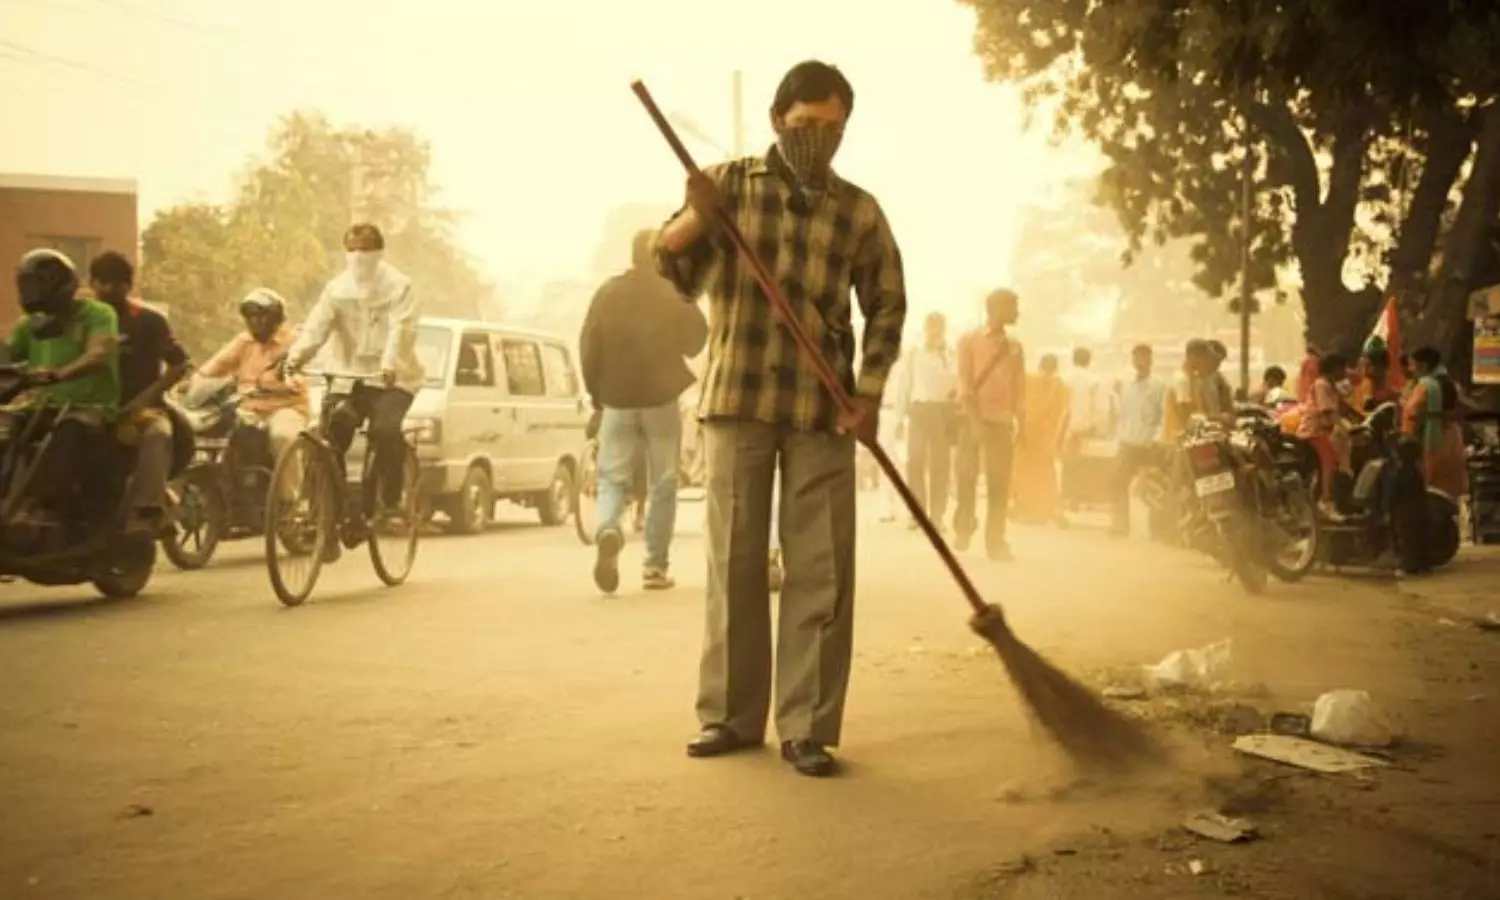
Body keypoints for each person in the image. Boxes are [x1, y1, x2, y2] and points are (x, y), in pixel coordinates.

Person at [655, 60, 906, 777]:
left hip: (823, 407)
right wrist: (697, 217)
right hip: (738, 399)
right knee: (734, 564)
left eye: (833, 129)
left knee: (820, 570)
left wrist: (871, 391)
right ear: (776, 120)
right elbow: (670, 266)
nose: (818, 141)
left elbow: (886, 301)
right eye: (805, 127)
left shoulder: (859, 210)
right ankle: (729, 717)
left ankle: (808, 727)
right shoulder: (726, 185)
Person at [282, 223, 423, 561]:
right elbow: (316, 328)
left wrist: (390, 363)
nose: (359, 256)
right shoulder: (336, 289)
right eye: (353, 249)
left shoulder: (399, 286)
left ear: (379, 251)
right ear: (346, 252)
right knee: (329, 440)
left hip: (392, 378)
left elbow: (400, 330)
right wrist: (294, 359)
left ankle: (390, 499)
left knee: (384, 430)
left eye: (367, 248)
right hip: (346, 376)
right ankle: (332, 517)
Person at [579, 229, 708, 593]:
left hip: (616, 399)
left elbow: (589, 345)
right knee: (664, 482)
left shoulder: (607, 293)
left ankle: (607, 527)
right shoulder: (672, 292)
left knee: (612, 477)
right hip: (661, 399)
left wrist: (596, 395)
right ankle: (654, 567)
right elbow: (697, 340)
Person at [5, 249, 121, 528]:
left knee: (68, 429)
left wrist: (60, 374)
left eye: (40, 283)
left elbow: (98, 353)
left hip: (91, 409)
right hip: (38, 407)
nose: (34, 292)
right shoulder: (28, 326)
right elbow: (6, 354)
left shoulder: (97, 313)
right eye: (29, 285)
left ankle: (45, 506)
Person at [87, 251, 190, 537]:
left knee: (157, 433)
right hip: (87, 409)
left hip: (138, 412)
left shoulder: (149, 321)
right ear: (91, 283)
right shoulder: (82, 321)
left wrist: (144, 398)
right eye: (102, 282)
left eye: (116, 283)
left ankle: (147, 510)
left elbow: (179, 364)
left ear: (128, 286)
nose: (108, 289)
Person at [195, 288, 309, 464]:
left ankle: (289, 492)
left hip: (284, 407)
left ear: (276, 318)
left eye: (261, 316)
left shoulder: (294, 342)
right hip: (247, 408)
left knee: (283, 437)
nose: (255, 321)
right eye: (251, 317)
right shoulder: (244, 341)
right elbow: (213, 367)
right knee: (216, 431)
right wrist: (192, 383)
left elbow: (299, 373)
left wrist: (286, 381)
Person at [954, 289, 1025, 560]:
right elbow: (964, 382)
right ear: (996, 309)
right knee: (965, 477)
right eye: (1013, 306)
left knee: (999, 483)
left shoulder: (1016, 347)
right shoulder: (969, 340)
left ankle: (996, 541)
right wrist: (974, 422)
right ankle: (964, 526)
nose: (1018, 312)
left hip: (1002, 423)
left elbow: (1020, 388)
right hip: (972, 419)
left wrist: (1023, 425)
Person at [893, 311, 957, 530]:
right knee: (915, 461)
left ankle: (937, 515)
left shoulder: (951, 355)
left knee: (940, 464)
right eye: (931, 325)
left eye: (938, 326)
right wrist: (899, 419)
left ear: (944, 328)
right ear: (925, 328)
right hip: (919, 409)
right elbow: (905, 386)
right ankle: (917, 513)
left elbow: (957, 385)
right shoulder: (914, 353)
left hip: (941, 412)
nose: (934, 330)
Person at [1111, 343, 1166, 539]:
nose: (1141, 362)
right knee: (1118, 482)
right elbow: (1123, 413)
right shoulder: (1126, 384)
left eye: (1144, 357)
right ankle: (1120, 525)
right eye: (1137, 358)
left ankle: (1158, 530)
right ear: (1133, 360)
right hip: (1128, 442)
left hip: (1149, 443)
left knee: (1154, 488)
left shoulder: (1159, 385)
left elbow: (1163, 415)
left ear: (1150, 360)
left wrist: (1158, 439)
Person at [1010, 353, 1070, 524]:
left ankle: (1027, 507)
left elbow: (1020, 405)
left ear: (1040, 365)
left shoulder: (1031, 382)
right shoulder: (1059, 387)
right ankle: (1041, 509)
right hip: (1042, 438)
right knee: (1041, 474)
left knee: (1024, 471)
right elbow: (1062, 413)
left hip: (1031, 435)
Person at [1404, 346, 1469, 500]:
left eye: (1413, 364)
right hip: (1452, 438)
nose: (1410, 369)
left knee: (1433, 485)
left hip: (1432, 441)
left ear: (1424, 366)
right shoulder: (1450, 383)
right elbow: (1460, 410)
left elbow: (1413, 413)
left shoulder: (1426, 386)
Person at [1060, 346, 1114, 517]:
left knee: (1063, 463)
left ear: (1073, 359)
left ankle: (1064, 497)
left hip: (1062, 427)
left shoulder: (1062, 378)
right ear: (1089, 361)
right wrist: (1100, 427)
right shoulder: (1095, 380)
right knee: (1081, 464)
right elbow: (1101, 407)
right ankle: (1076, 498)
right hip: (1084, 429)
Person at [1298, 351, 1350, 516]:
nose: (1345, 372)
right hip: (1315, 430)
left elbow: (1346, 409)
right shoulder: (1322, 385)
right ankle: (1326, 500)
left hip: (1326, 429)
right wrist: (1343, 426)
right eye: (1343, 368)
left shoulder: (1332, 386)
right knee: (1330, 459)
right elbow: (1327, 412)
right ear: (1334, 369)